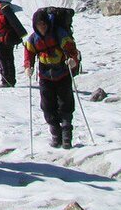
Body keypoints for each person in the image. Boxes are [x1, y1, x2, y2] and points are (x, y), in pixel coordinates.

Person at [23, 8, 81, 149]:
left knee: (65, 105)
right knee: (47, 107)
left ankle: (66, 137)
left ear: (48, 23)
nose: (42, 27)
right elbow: (28, 53)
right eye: (39, 25)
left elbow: (72, 50)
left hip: (62, 74)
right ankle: (56, 135)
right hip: (45, 76)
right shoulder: (33, 39)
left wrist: (73, 60)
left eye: (43, 24)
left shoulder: (59, 34)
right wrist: (28, 66)